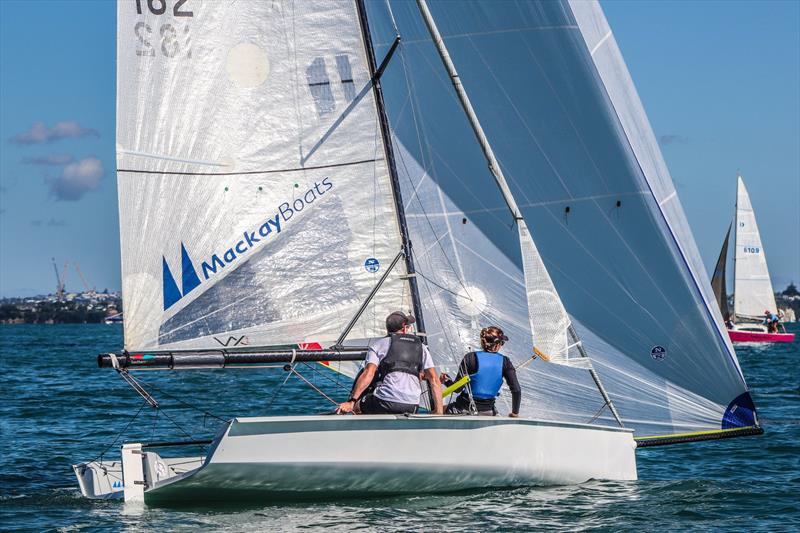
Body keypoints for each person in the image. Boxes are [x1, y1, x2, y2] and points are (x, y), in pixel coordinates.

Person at [336, 311, 443, 415]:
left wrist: (352, 401)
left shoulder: (378, 345)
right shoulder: (422, 348)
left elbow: (368, 374)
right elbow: (434, 379)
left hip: (385, 402)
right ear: (404, 327)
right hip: (412, 405)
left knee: (357, 407)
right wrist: (439, 412)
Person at [440, 326, 521, 417]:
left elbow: (457, 389)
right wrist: (515, 413)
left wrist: (446, 381)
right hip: (489, 412)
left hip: (462, 409)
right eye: (502, 343)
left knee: (436, 410)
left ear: (482, 342)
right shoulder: (505, 361)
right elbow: (516, 390)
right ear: (497, 344)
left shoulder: (470, 357)